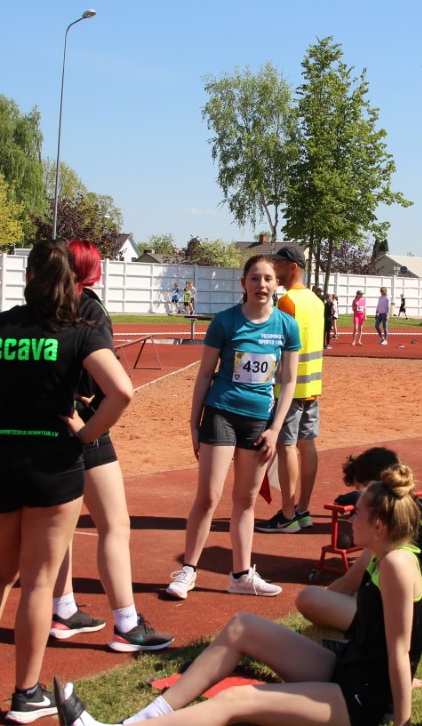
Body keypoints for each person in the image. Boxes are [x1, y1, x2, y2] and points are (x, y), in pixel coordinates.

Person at [0, 239, 133, 722]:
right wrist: (86, 435)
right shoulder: (79, 330)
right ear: (71, 281)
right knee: (39, 583)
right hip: (54, 462)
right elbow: (121, 391)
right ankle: (26, 694)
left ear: (29, 275)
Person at [54, 464, 422, 726]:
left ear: (379, 525)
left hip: (363, 700)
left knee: (236, 701)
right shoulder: (383, 553)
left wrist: (403, 720)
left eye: (356, 512)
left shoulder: (397, 565)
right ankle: (147, 717)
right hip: (349, 668)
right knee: (242, 625)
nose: (349, 518)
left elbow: (400, 651)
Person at [49, 241, 173, 653]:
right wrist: (89, 418)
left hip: (43, 426)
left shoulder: (36, 310)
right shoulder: (90, 310)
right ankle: (127, 625)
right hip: (83, 425)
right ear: (90, 270)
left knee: (61, 526)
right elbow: (113, 383)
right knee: (115, 526)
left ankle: (63, 610)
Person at [166, 254, 300, 600]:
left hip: (259, 422)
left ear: (277, 284)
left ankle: (240, 575)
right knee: (208, 497)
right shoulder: (225, 322)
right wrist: (194, 423)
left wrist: (275, 428)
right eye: (254, 278)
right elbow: (204, 374)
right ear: (244, 283)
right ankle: (188, 571)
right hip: (221, 413)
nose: (261, 285)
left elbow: (288, 383)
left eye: (268, 278)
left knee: (246, 500)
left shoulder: (287, 326)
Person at [297, 446, 422, 646]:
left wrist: (322, 608)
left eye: (361, 499)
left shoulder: (390, 523)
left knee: (310, 600)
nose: (353, 517)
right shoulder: (421, 507)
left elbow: (348, 585)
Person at [256, 245, 324, 535]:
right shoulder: (316, 301)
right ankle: (303, 510)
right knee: (307, 446)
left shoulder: (287, 302)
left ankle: (287, 514)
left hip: (289, 388)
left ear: (292, 266)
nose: (274, 269)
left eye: (278, 264)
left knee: (286, 447)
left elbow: (279, 345)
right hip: (312, 386)